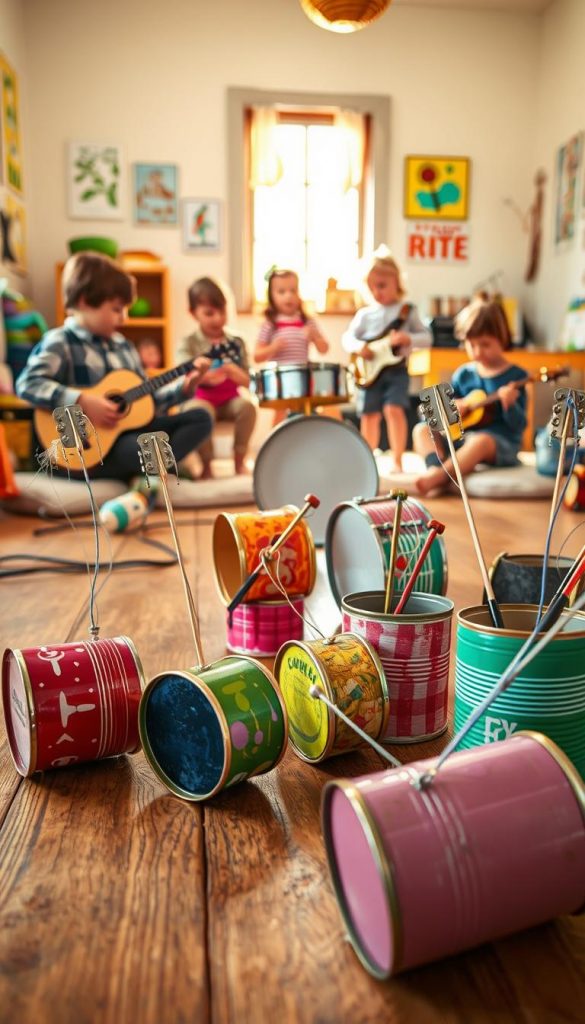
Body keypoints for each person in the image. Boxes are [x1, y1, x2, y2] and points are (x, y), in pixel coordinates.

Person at [16, 252, 212, 482]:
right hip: (86, 448)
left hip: (128, 434)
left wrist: (185, 387)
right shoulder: (61, 342)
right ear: (85, 301)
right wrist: (82, 401)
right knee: (139, 449)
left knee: (201, 418)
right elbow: (28, 384)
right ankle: (152, 466)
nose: (125, 318)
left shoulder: (124, 346)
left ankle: (149, 467)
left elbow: (146, 403)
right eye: (117, 309)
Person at [413, 297, 527, 496]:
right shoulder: (463, 374)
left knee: (481, 440)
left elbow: (519, 426)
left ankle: (440, 477)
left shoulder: (516, 377)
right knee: (421, 430)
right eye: (471, 345)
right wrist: (455, 407)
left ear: (502, 338)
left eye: (485, 344)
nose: (477, 352)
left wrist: (510, 405)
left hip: (499, 444)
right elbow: (443, 416)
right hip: (463, 441)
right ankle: (435, 467)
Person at [342, 248, 431, 472]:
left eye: (381, 285)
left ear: (397, 282)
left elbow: (427, 338)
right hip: (370, 375)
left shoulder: (406, 311)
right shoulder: (364, 315)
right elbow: (347, 338)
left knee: (394, 410)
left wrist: (408, 337)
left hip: (397, 372)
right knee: (369, 415)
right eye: (371, 287)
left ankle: (397, 461)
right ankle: (367, 460)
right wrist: (358, 346)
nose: (376, 291)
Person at [177, 277, 256, 478]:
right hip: (201, 399)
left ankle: (239, 461)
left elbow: (251, 382)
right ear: (193, 313)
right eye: (209, 313)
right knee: (199, 412)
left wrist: (233, 373)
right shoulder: (189, 343)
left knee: (248, 407)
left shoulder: (236, 342)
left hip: (230, 399)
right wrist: (204, 376)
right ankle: (206, 465)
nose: (218, 319)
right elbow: (183, 379)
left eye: (222, 312)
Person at [254, 268, 329, 425]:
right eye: (281, 291)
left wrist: (315, 336)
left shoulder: (307, 321)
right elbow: (257, 355)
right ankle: (275, 445)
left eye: (293, 290)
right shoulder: (270, 324)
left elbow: (324, 349)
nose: (288, 296)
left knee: (308, 412)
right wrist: (273, 347)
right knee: (280, 413)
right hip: (279, 378)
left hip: (304, 376)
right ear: (271, 296)